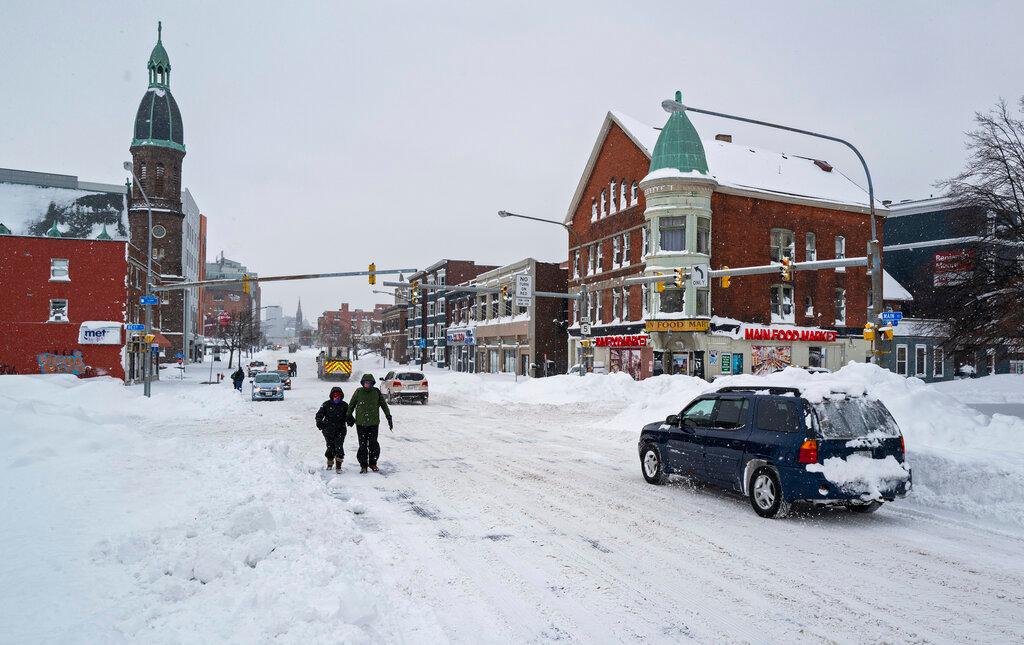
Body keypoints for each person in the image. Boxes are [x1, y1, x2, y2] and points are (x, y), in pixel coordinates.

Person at [347, 373, 392, 473]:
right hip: (361, 424)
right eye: (366, 383)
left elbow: (384, 405)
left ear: (373, 383)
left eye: (370, 383)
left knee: (373, 444)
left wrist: (388, 416)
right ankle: (363, 465)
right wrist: (348, 415)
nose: (367, 385)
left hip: (373, 424)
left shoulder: (376, 392)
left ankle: (373, 463)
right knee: (362, 445)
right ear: (363, 383)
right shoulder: (358, 392)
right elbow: (352, 404)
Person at [315, 386, 349, 471]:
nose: (336, 397)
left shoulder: (344, 405)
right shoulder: (326, 404)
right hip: (328, 430)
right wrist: (319, 422)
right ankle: (330, 463)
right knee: (330, 446)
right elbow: (319, 415)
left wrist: (350, 420)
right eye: (335, 395)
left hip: (340, 429)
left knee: (339, 446)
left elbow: (348, 415)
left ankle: (338, 465)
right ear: (331, 396)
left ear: (341, 396)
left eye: (338, 395)